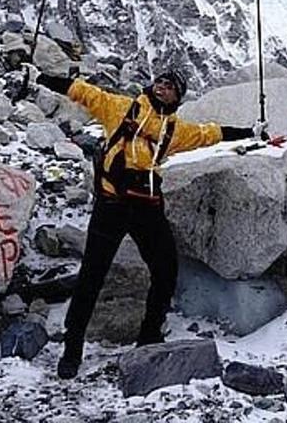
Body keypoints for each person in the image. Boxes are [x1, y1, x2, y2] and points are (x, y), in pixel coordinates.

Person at [31, 66, 260, 379]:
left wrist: (250, 132)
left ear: (178, 97)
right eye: (160, 81)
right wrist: (44, 78)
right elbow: (85, 93)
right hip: (111, 205)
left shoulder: (176, 131)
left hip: (148, 209)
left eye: (170, 85)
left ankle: (150, 335)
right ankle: (73, 347)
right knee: (91, 277)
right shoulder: (122, 107)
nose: (162, 86)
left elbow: (210, 134)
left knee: (166, 270)